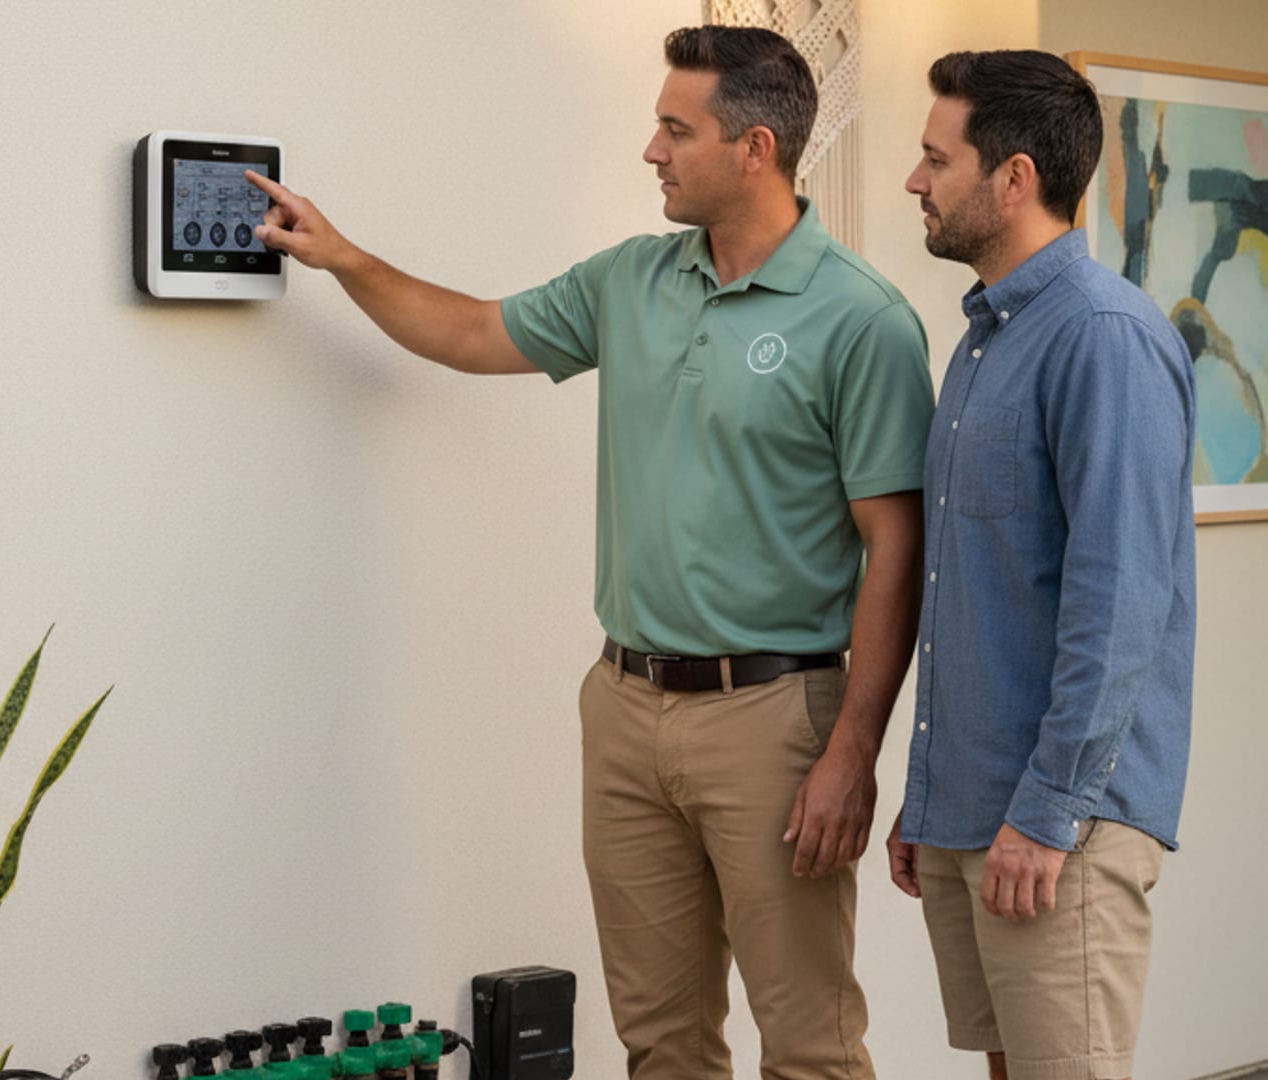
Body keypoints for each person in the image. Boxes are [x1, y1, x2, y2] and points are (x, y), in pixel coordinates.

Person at [246, 25, 933, 1080]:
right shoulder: (631, 281)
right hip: (623, 709)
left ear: (755, 147)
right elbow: (474, 334)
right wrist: (342, 258)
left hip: (775, 719)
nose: (651, 151)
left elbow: (897, 549)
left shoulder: (861, 319)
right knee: (659, 1041)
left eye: (674, 128)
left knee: (810, 1047)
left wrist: (852, 753)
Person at [886, 49, 1197, 1080]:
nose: (914, 182)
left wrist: (1047, 810)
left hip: (1059, 819)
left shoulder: (1104, 337)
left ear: (1012, 177)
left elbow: (1121, 601)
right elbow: (972, 590)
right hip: (979, 809)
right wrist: (929, 802)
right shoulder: (984, 341)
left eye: (936, 159)